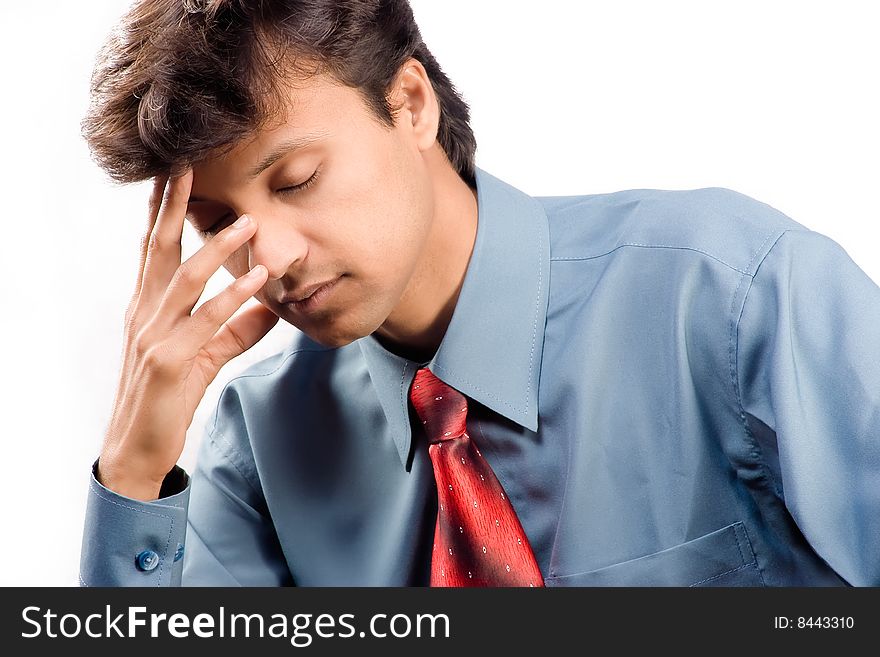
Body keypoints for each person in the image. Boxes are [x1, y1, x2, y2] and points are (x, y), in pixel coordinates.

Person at [79, 0, 880, 587]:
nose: (273, 257)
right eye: (222, 226)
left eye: (298, 180)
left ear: (411, 104)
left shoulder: (731, 294)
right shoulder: (258, 442)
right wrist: (134, 473)